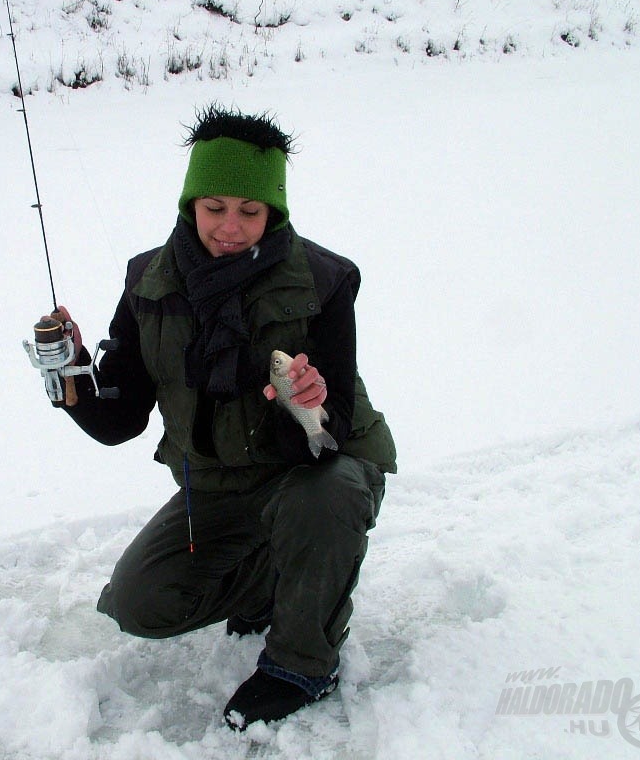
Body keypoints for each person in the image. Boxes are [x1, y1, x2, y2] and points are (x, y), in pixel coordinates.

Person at [45, 105, 396, 729]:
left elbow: (336, 423)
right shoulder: (147, 282)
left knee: (330, 493)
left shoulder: (325, 279)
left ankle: (301, 662)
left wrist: (314, 404)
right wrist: (70, 375)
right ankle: (275, 579)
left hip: (315, 470)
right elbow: (119, 419)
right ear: (190, 204)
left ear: (274, 213)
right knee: (137, 605)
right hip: (216, 485)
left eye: (250, 211)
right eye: (214, 208)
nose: (230, 228)